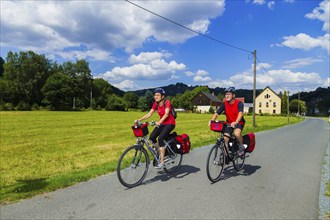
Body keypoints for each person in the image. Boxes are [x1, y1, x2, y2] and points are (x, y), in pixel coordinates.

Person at [137, 88, 176, 169]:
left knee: (160, 139)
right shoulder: (156, 104)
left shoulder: (167, 102)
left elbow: (166, 114)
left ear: (162, 96)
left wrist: (159, 121)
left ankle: (162, 162)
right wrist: (139, 120)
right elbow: (149, 114)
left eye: (158, 95)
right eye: (155, 95)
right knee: (152, 137)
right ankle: (160, 151)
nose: (156, 96)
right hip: (162, 123)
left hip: (170, 123)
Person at [209, 87, 246, 160]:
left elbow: (240, 113)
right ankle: (226, 156)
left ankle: (241, 148)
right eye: (226, 94)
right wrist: (212, 120)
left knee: (236, 133)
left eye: (229, 94)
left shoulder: (239, 103)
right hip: (229, 123)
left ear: (233, 95)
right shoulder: (224, 104)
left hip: (239, 122)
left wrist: (236, 121)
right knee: (225, 138)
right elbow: (217, 113)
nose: (227, 96)